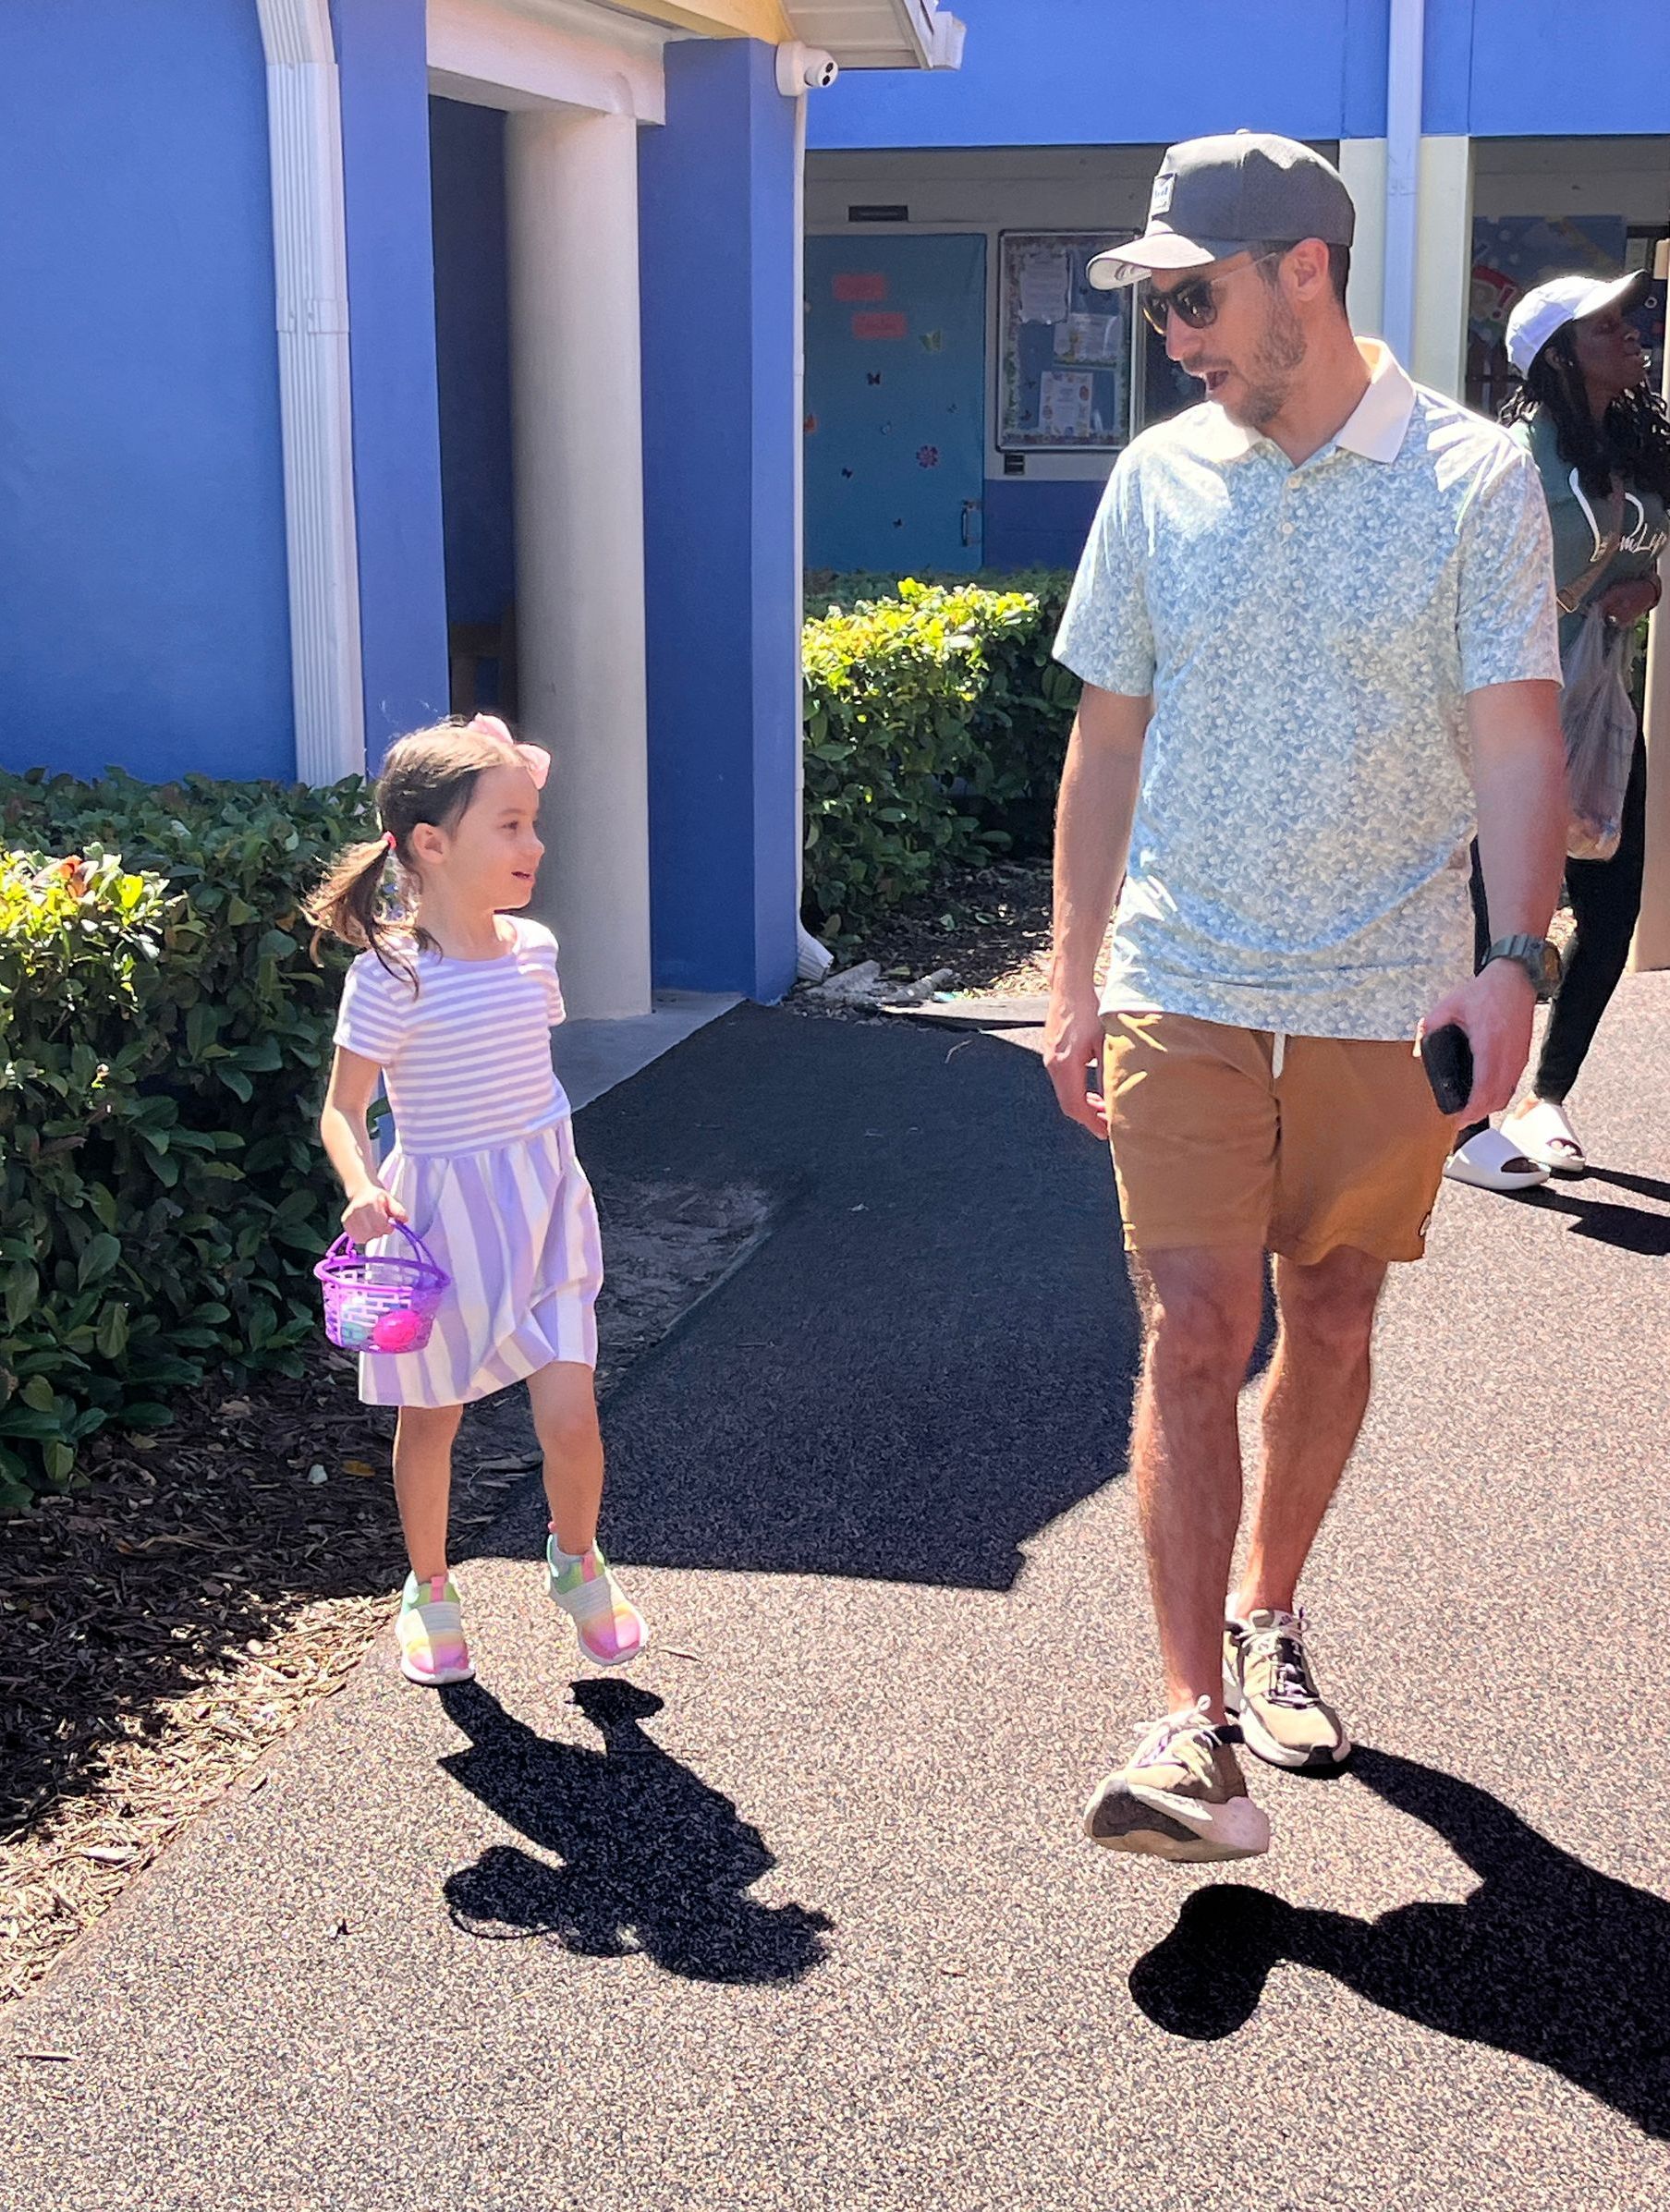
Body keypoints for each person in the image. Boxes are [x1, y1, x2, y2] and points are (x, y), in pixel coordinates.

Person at [1044, 133, 1566, 1864]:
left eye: (1193, 295)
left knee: (1329, 1309)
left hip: (1381, 989)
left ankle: (1270, 1615)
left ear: (1304, 273)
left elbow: (1513, 737)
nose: (1171, 330)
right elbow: (1103, 738)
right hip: (1181, 979)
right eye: (1158, 301)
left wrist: (1516, 957)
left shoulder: (1472, 479)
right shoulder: (1156, 479)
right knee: (1192, 1326)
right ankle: (1188, 1728)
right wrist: (1068, 977)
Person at [310, 715, 646, 1687]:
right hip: (437, 1228)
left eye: (532, 822)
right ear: (429, 844)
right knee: (433, 1420)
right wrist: (362, 1186)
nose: (533, 845)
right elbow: (343, 1107)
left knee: (572, 1414)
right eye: (509, 825)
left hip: (543, 1209)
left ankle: (576, 1561)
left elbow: (526, 1075)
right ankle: (427, 1588)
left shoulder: (535, 951)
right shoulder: (389, 976)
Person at [1447, 270, 1669, 1190]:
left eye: (1630, 319)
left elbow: (1642, 556)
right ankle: (1463, 1124)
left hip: (1599, 705)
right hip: (1509, 713)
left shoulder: (1638, 445)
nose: (1633, 334)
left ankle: (1544, 1096)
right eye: (1607, 325)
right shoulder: (1514, 461)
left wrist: (1645, 588)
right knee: (1494, 916)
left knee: (1610, 906)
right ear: (1559, 352)